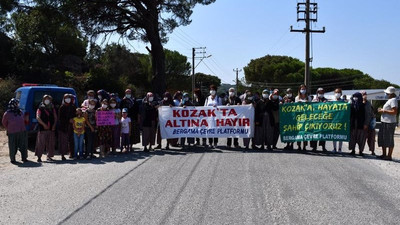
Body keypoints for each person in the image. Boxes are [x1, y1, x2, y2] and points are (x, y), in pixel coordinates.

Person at [2, 98, 28, 163]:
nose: (18, 105)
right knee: (13, 146)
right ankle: (13, 159)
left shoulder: (20, 112)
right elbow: (4, 122)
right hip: (12, 132)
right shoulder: (7, 113)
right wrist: (9, 128)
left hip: (22, 131)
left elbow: (23, 120)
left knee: (23, 145)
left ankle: (24, 158)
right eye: (17, 103)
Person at [377, 86, 398, 160]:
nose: (386, 94)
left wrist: (383, 111)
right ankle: (384, 154)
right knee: (383, 138)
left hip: (389, 123)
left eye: (387, 93)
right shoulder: (390, 100)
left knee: (389, 139)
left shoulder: (393, 100)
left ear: (390, 94)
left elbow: (394, 111)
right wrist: (382, 110)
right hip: (384, 121)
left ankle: (389, 156)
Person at [35, 95, 57, 162]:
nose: (47, 100)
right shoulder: (40, 108)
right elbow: (38, 117)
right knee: (40, 143)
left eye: (48, 99)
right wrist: (44, 125)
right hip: (42, 129)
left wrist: (54, 125)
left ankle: (49, 156)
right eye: (45, 99)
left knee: (50, 143)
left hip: (51, 128)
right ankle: (39, 157)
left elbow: (55, 117)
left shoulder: (52, 108)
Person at [58, 94, 76, 160]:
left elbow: (75, 115)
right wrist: (68, 120)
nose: (67, 99)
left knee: (71, 140)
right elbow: (60, 118)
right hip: (63, 126)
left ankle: (72, 153)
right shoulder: (62, 107)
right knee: (63, 141)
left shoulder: (73, 107)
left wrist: (73, 119)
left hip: (72, 126)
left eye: (69, 98)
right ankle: (63, 155)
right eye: (66, 98)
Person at [295, 84, 312, 151]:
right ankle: (298, 146)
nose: (303, 90)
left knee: (305, 131)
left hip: (307, 117)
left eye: (304, 89)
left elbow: (312, 107)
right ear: (299, 90)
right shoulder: (297, 98)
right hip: (299, 117)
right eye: (302, 89)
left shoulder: (309, 98)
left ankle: (304, 146)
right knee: (299, 131)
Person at [310, 87, 328, 152]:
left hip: (323, 120)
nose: (321, 94)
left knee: (323, 134)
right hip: (315, 120)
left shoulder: (326, 100)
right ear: (317, 93)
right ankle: (314, 147)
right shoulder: (314, 100)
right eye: (319, 93)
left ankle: (323, 147)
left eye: (322, 93)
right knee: (314, 133)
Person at [362, 91, 376, 155]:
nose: (364, 96)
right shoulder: (360, 103)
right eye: (363, 94)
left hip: (369, 123)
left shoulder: (368, 104)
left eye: (365, 94)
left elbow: (368, 114)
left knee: (371, 138)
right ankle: (361, 150)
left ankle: (372, 151)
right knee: (363, 137)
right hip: (364, 123)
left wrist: (366, 124)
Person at [331, 88, 344, 153]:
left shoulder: (343, 102)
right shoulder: (332, 101)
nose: (337, 94)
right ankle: (334, 148)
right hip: (334, 121)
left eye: (338, 92)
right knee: (334, 135)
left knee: (340, 135)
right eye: (336, 92)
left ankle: (340, 149)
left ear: (341, 94)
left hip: (341, 121)